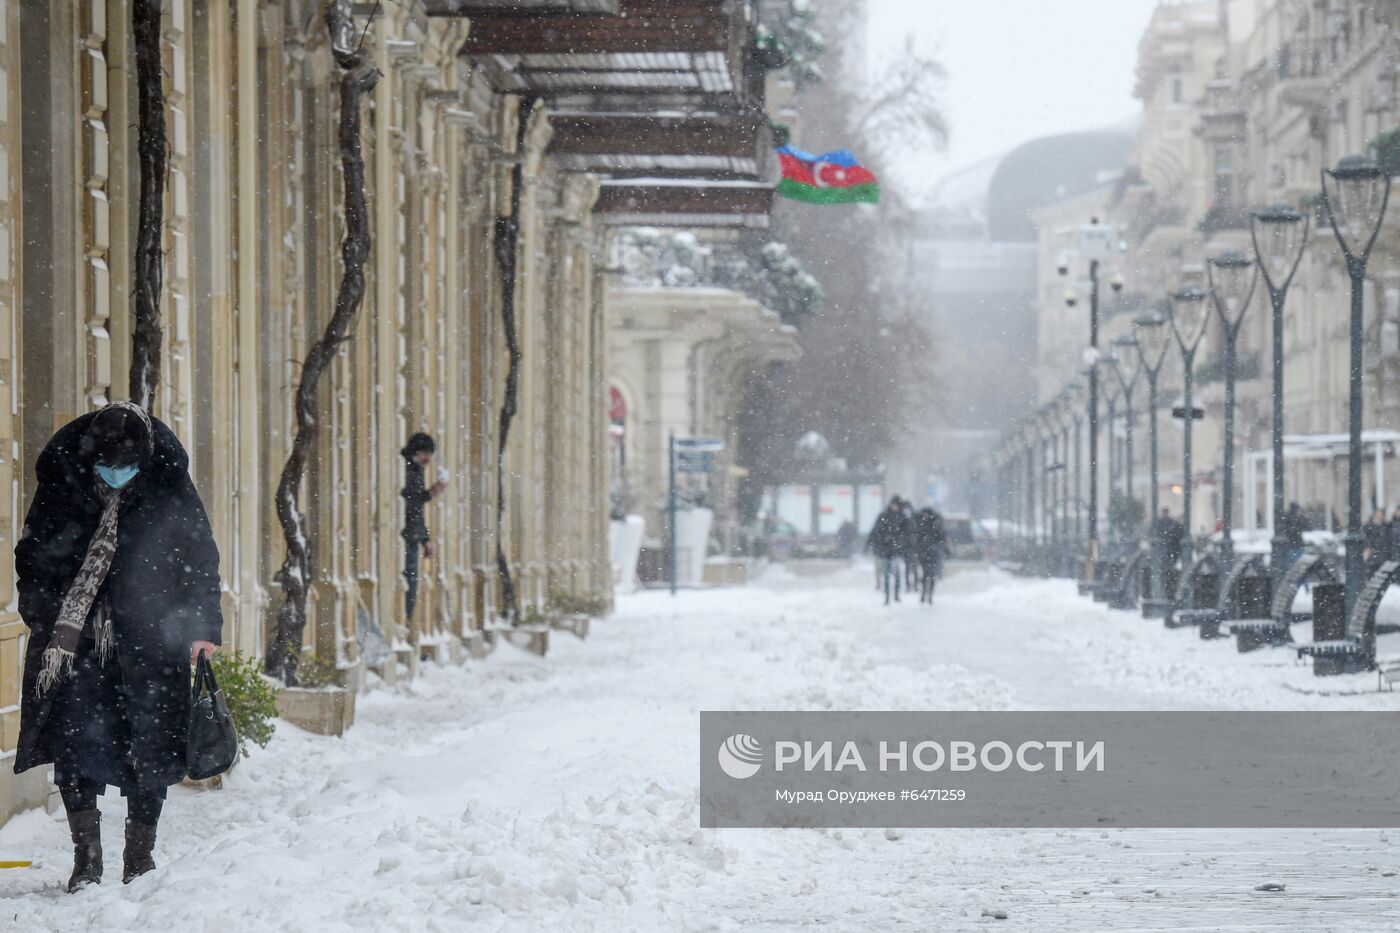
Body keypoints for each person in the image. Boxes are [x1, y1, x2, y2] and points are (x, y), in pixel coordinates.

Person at [14, 402, 223, 892]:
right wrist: (44, 618)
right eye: (108, 466)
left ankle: (140, 857)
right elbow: (33, 554)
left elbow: (198, 556)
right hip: (75, 641)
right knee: (75, 743)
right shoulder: (64, 480)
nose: (117, 476)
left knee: (148, 745)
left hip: (152, 635)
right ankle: (86, 859)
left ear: (145, 459)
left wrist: (201, 628)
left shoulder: (167, 481)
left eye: (127, 467)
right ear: (92, 458)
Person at [401, 432, 446, 621]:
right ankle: (407, 621)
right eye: (425, 453)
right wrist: (430, 494)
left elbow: (415, 507)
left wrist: (426, 539)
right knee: (410, 582)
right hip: (407, 537)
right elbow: (412, 505)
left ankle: (408, 622)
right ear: (417, 452)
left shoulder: (415, 470)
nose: (428, 458)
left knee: (411, 582)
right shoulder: (409, 471)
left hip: (411, 536)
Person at [865, 497, 907, 605]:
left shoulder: (902, 517)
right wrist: (870, 544)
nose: (894, 507)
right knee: (887, 574)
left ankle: (896, 594)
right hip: (886, 550)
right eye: (893, 505)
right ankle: (887, 597)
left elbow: (908, 533)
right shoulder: (884, 516)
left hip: (897, 551)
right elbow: (875, 531)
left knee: (897, 574)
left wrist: (903, 545)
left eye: (896, 505)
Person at [915, 507, 951, 604]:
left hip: (932, 553)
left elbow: (941, 537)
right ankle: (924, 594)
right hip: (924, 553)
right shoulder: (921, 524)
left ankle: (929, 595)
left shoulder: (935, 524)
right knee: (926, 574)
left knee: (931, 574)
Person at [1151, 508, 1184, 595]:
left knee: (1168, 568)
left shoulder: (1170, 523)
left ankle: (1167, 589)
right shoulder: (1165, 523)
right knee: (1167, 568)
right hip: (1167, 549)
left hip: (1169, 549)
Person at [1365, 509, 1390, 575]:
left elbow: (1388, 541)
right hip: (1372, 555)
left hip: (1383, 555)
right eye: (1377, 516)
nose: (1378, 517)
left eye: (1380, 516)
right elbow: (1366, 539)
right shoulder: (1368, 527)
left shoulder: (1386, 527)